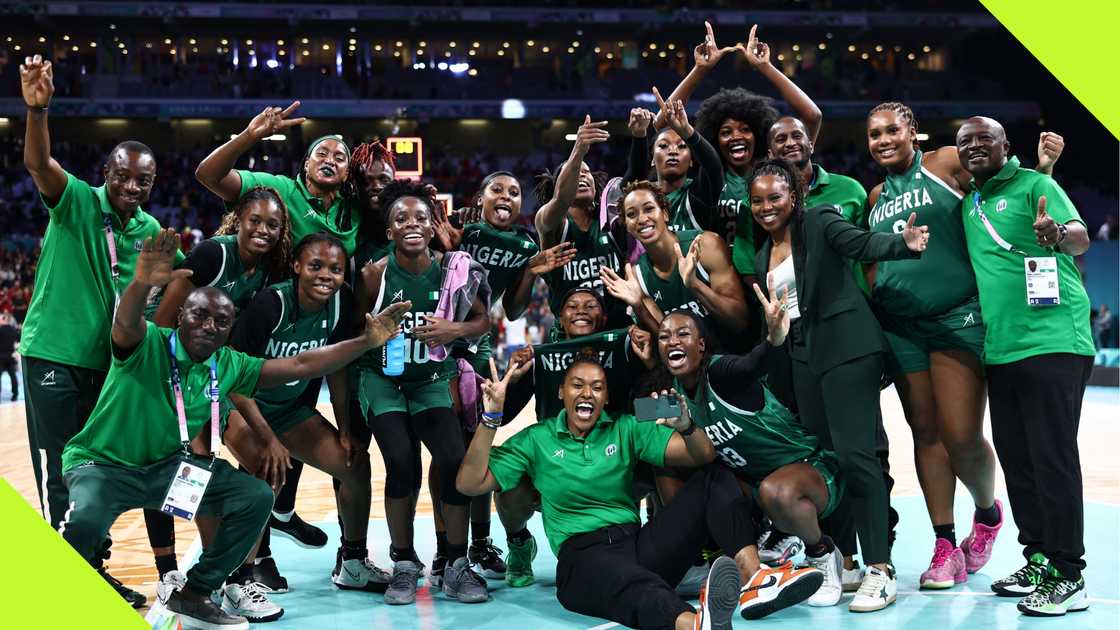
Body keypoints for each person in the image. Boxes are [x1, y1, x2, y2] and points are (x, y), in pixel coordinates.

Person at [58, 228, 409, 630]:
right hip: (104, 466)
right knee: (84, 525)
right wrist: (140, 283)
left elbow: (301, 365)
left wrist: (365, 342)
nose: (209, 325)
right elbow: (125, 323)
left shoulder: (227, 363)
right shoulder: (147, 343)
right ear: (181, 317)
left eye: (221, 320)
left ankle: (197, 591)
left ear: (230, 329)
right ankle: (56, 597)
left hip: (166, 469)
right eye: (200, 315)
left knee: (254, 495)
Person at [457, 353, 824, 628]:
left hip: (637, 544)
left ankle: (755, 578)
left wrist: (687, 426)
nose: (587, 393)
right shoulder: (535, 439)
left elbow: (702, 454)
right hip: (582, 557)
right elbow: (469, 483)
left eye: (597, 387)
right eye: (578, 385)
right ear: (561, 393)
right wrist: (491, 417)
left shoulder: (626, 427)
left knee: (713, 478)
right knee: (630, 583)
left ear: (604, 398)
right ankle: (693, 624)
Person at [865, 102, 1062, 589]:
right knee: (925, 432)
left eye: (892, 130)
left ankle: (987, 512)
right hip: (902, 326)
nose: (883, 140)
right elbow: (872, 264)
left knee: (960, 436)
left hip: (959, 316)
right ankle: (944, 544)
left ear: (914, 133)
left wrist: (1043, 173)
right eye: (873, 134)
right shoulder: (874, 195)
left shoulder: (947, 162)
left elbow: (1001, 194)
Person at [18, 54, 174, 607]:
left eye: (144, 180)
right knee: (63, 467)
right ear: (105, 174)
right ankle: (70, 577)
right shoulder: (77, 202)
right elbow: (40, 166)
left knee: (97, 471)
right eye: (123, 175)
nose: (133, 185)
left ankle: (90, 569)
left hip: (110, 367)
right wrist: (38, 111)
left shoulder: (151, 229)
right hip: (55, 356)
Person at [751, 159, 930, 612]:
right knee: (828, 462)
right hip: (802, 358)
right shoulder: (760, 254)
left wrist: (903, 245)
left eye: (776, 197)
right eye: (758, 199)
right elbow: (785, 316)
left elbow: (860, 242)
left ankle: (880, 569)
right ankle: (843, 560)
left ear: (794, 195)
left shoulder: (818, 219)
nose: (767, 206)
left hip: (848, 349)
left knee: (857, 457)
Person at [956, 116, 1095, 617]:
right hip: (1003, 349)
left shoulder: (1038, 185)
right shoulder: (970, 203)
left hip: (1055, 341)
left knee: (1052, 459)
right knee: (1018, 461)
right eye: (965, 142)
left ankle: (1069, 574)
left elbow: (1080, 237)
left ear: (1004, 146)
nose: (974, 147)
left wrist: (1056, 234)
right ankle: (1038, 558)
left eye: (983, 139)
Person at [426, 171, 576, 582]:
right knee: (447, 451)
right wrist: (446, 246)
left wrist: (530, 271)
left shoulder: (525, 244)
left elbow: (512, 310)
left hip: (479, 350)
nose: (507, 196)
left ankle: (479, 544)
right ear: (482, 197)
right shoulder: (462, 229)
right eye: (498, 189)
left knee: (478, 446)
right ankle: (444, 549)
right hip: (439, 344)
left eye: (514, 192)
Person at [653, 291, 846, 607]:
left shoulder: (721, 373)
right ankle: (704, 555)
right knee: (662, 462)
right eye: (664, 336)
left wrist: (774, 340)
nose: (672, 341)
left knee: (776, 491)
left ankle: (821, 553)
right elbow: (632, 422)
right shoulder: (670, 396)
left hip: (811, 471)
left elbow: (751, 365)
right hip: (756, 488)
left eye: (682, 334)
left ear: (701, 345)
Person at [142, 185, 294, 586]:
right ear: (238, 219)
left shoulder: (268, 269)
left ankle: (242, 570)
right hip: (163, 368)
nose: (263, 229)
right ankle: (171, 572)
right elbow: (160, 324)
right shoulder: (213, 255)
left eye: (272, 224)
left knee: (265, 462)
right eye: (255, 220)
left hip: (211, 372)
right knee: (184, 471)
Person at [354, 180, 491, 605]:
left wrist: (454, 329)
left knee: (453, 458)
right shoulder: (374, 274)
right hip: (384, 381)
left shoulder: (453, 268)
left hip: (431, 379)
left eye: (420, 218)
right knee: (400, 462)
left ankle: (454, 562)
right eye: (401, 219)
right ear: (389, 231)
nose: (411, 224)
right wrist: (372, 334)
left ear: (433, 227)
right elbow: (353, 333)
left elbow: (483, 321)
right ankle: (403, 562)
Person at [195, 101, 363, 256]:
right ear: (306, 165)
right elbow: (208, 175)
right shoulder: (280, 189)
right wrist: (249, 135)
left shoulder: (354, 207)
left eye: (339, 159)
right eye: (321, 154)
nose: (329, 161)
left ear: (346, 174)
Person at [601, 181, 748, 347]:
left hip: (734, 356)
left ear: (665, 214)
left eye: (649, 209)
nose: (642, 219)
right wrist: (638, 307)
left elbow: (739, 322)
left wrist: (694, 285)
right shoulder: (636, 275)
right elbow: (668, 344)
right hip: (691, 367)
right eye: (632, 214)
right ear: (626, 226)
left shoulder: (705, 244)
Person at [535, 116, 628, 336]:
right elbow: (560, 200)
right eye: (576, 173)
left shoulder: (612, 219)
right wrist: (578, 151)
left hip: (618, 329)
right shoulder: (551, 224)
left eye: (587, 173)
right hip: (571, 333)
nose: (582, 176)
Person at [624, 88, 723, 237]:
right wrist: (639, 135)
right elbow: (633, 178)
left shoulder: (699, 194)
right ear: (652, 160)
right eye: (663, 146)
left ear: (691, 161)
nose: (673, 151)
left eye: (682, 146)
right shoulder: (642, 196)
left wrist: (687, 131)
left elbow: (713, 166)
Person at [0, 312, 18, 400]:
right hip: (11, 356)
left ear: (4, 319)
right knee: (13, 376)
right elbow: (19, 340)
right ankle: (15, 394)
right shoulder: (13, 330)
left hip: (1, 357)